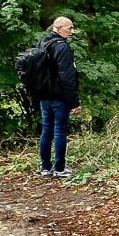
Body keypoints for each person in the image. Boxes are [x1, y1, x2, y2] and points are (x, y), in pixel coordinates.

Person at [36, 16, 81, 178]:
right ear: (59, 27)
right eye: (69, 28)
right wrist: (74, 102)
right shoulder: (62, 48)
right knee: (59, 130)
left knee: (46, 130)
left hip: (43, 95)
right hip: (58, 96)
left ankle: (45, 168)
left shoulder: (43, 43)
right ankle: (60, 169)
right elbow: (67, 78)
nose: (71, 31)